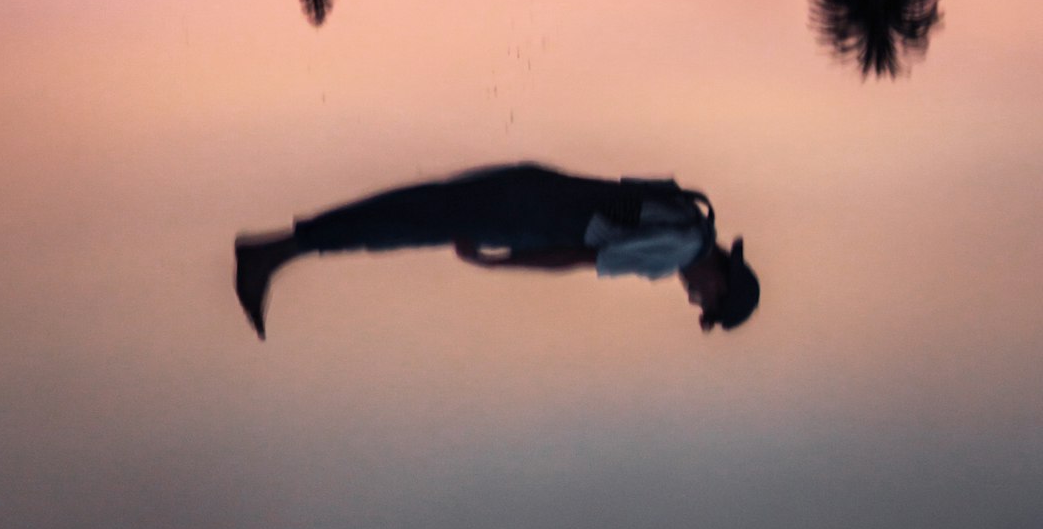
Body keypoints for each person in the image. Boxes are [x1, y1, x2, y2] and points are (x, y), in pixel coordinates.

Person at [233, 161, 760, 341]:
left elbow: (615, 194)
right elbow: (578, 257)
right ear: (720, 285)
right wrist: (498, 262)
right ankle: (273, 253)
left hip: (536, 188)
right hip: (532, 218)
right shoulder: (677, 250)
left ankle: (277, 250)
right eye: (706, 304)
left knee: (414, 209)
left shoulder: (692, 216)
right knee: (405, 223)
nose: (694, 302)